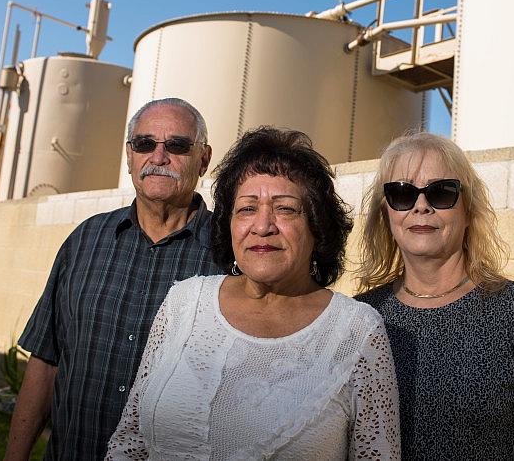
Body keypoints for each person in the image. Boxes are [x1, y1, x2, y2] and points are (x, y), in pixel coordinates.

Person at [106, 127, 401, 460]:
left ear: (317, 227)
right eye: (247, 209)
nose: (263, 226)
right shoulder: (183, 302)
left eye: (286, 209)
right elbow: (130, 440)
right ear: (229, 224)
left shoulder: (358, 331)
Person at [355, 132, 514, 460]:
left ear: (468, 210)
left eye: (441, 192)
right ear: (386, 212)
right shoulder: (360, 318)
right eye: (402, 193)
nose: (421, 206)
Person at [5, 98, 221, 461]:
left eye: (178, 146)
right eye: (145, 144)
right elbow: (45, 362)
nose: (159, 157)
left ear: (203, 158)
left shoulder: (230, 253)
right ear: (129, 155)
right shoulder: (85, 240)